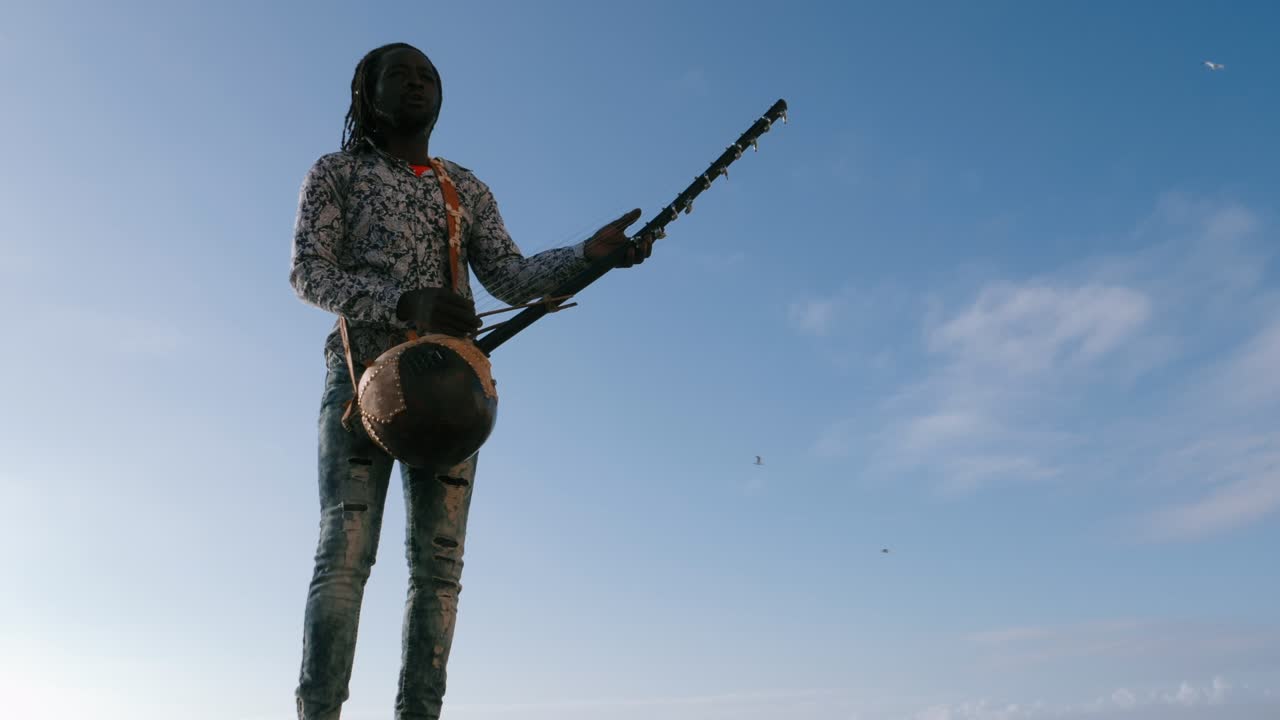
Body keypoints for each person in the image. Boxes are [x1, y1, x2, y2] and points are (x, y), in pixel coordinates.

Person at [288, 42, 652, 720]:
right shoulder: (336, 172)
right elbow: (309, 273)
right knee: (345, 553)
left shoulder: (465, 187)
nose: (418, 84)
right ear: (366, 92)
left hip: (452, 391)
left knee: (439, 568)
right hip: (360, 385)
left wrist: (590, 257)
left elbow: (510, 278)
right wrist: (404, 302)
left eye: (428, 75)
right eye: (399, 73)